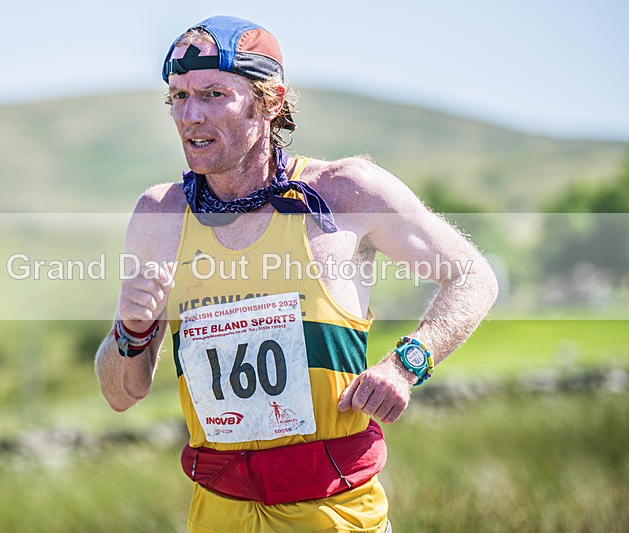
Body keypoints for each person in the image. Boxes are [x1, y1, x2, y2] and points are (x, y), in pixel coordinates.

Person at [95, 15, 498, 533]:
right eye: (178, 97)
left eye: (213, 93)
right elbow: (119, 393)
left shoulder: (345, 192)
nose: (190, 115)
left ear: (271, 101)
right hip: (216, 516)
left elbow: (472, 277)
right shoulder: (159, 215)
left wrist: (407, 363)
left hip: (336, 517)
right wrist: (130, 332)